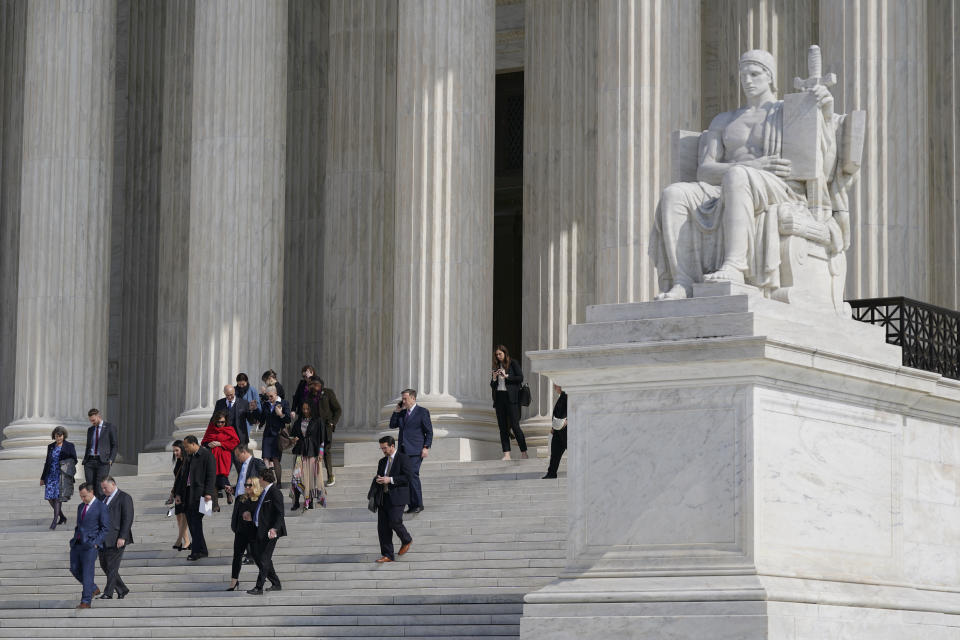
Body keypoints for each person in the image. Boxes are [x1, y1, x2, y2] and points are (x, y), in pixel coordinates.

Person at [650, 49, 843, 299]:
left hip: (779, 187)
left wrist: (824, 110)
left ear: (770, 76)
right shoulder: (724, 120)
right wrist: (755, 166)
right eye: (743, 75)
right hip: (728, 183)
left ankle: (735, 266)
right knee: (673, 193)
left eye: (754, 73)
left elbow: (823, 154)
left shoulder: (790, 112)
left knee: (737, 176)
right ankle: (683, 280)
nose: (748, 80)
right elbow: (705, 170)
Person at [388, 389, 432, 514]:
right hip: (403, 451)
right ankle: (411, 505)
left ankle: (418, 504)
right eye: (402, 399)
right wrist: (396, 411)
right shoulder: (402, 413)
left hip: (416, 450)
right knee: (406, 478)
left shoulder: (422, 412)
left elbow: (429, 432)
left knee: (412, 475)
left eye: (405, 398)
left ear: (413, 398)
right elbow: (392, 425)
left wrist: (426, 447)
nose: (403, 401)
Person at [371, 435, 413, 563]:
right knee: (383, 528)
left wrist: (391, 479)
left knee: (395, 521)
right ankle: (388, 555)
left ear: (392, 446)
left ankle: (406, 539)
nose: (383, 450)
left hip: (398, 496)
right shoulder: (382, 461)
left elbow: (408, 477)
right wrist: (378, 479)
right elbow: (380, 475)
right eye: (381, 448)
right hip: (383, 497)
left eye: (385, 448)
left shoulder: (403, 458)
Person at [69, 483, 109, 609]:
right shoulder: (81, 507)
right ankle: (93, 588)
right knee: (74, 569)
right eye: (81, 496)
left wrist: (96, 542)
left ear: (91, 492)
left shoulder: (101, 507)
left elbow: (105, 528)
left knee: (87, 573)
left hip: (91, 545)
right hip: (77, 544)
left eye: (84, 496)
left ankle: (86, 601)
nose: (83, 499)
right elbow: (79, 525)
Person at [247, 468, 286, 595]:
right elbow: (262, 510)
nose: (258, 480)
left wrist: (274, 528)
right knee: (261, 557)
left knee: (264, 558)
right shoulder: (264, 492)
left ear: (263, 478)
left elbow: (280, 513)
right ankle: (276, 583)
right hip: (260, 530)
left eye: (259, 478)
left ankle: (259, 587)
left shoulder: (275, 492)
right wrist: (251, 515)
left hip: (271, 531)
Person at [177, 435, 215, 561]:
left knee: (196, 523)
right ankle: (202, 550)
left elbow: (211, 475)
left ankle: (196, 551)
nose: (185, 449)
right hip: (188, 494)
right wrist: (178, 494)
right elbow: (183, 477)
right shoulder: (189, 457)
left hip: (202, 495)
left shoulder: (206, 455)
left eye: (187, 447)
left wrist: (208, 493)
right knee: (192, 523)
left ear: (194, 444)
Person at [490, 345, 528, 460]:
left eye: (500, 354)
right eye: (496, 354)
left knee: (515, 426)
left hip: (511, 398)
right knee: (502, 427)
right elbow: (492, 386)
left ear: (505, 353)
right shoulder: (496, 366)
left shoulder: (513, 363)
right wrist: (494, 378)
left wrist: (506, 376)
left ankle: (524, 453)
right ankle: (506, 454)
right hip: (500, 398)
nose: (498, 356)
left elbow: (520, 378)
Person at [98, 477, 134, 600]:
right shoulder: (102, 499)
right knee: (104, 565)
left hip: (117, 538)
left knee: (112, 566)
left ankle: (108, 593)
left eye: (105, 487)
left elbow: (127, 518)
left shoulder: (124, 497)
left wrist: (122, 536)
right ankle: (122, 589)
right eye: (102, 488)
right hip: (103, 539)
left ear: (113, 484)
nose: (103, 490)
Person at [227, 476, 262, 591]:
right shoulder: (241, 498)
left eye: (249, 485)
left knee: (258, 557)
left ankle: (269, 577)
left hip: (254, 532)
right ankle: (234, 581)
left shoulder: (260, 499)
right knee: (237, 556)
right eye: (245, 485)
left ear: (256, 486)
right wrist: (235, 528)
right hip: (241, 532)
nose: (246, 487)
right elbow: (236, 515)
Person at [201, 411, 240, 510]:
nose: (220, 424)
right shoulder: (211, 429)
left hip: (224, 457)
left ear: (226, 421)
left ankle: (228, 493)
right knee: (212, 480)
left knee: (222, 476)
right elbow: (204, 442)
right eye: (218, 422)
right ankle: (215, 505)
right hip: (212, 457)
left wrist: (221, 444)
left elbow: (235, 443)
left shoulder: (230, 429)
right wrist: (208, 444)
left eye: (222, 422)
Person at [307, 376, 342, 486]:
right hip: (314, 427)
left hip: (326, 427)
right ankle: (315, 477)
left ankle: (330, 475)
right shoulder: (309, 396)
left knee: (326, 450)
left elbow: (337, 409)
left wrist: (332, 422)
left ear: (320, 384)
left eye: (315, 384)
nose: (313, 387)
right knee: (314, 452)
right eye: (311, 385)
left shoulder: (328, 393)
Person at [254, 385, 291, 489]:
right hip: (267, 434)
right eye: (268, 396)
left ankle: (278, 482)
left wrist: (281, 414)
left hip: (277, 435)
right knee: (265, 458)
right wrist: (255, 410)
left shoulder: (284, 403)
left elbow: (288, 420)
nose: (269, 399)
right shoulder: (266, 404)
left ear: (276, 394)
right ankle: (269, 481)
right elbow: (262, 418)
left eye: (271, 396)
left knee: (275, 459)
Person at [41, 426, 77, 530]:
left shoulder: (69, 446)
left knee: (57, 497)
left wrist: (65, 464)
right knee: (50, 497)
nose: (58, 438)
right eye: (56, 436)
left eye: (60, 436)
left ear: (64, 435)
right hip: (51, 474)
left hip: (61, 475)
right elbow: (47, 462)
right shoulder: (51, 446)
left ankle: (55, 519)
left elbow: (74, 460)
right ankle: (62, 517)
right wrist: (43, 477)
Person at [290, 402, 325, 511]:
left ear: (311, 409)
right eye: (303, 409)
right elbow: (293, 436)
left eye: (307, 409)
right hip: (301, 453)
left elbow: (322, 439)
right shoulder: (298, 422)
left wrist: (321, 453)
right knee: (297, 477)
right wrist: (294, 439)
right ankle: (296, 501)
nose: (305, 411)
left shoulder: (318, 421)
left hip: (313, 454)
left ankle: (309, 501)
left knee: (310, 479)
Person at [82, 408, 118, 499]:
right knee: (90, 486)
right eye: (91, 421)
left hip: (103, 461)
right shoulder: (90, 430)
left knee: (100, 487)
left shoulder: (110, 427)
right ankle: (92, 508)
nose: (92, 423)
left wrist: (111, 460)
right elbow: (88, 446)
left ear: (99, 416)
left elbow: (115, 445)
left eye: (93, 420)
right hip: (89, 461)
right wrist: (85, 461)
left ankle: (100, 509)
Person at [213, 384, 251, 448]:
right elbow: (214, 419)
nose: (230, 397)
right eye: (227, 395)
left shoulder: (244, 403)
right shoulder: (219, 403)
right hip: (224, 438)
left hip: (240, 438)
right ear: (224, 393)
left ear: (234, 392)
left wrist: (253, 410)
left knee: (240, 457)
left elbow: (251, 420)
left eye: (231, 395)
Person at [169, 440, 191, 552]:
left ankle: (179, 540)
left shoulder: (188, 461)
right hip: (177, 491)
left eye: (177, 450)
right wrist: (173, 493)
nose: (175, 453)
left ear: (182, 449)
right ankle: (186, 541)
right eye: (174, 451)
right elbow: (177, 479)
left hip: (185, 492)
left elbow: (184, 480)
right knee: (178, 517)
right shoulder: (179, 461)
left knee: (183, 517)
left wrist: (178, 495)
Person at [543, 384, 567, 479]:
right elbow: (557, 413)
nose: (554, 387)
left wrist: (568, 420)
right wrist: (553, 427)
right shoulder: (562, 396)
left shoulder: (569, 395)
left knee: (573, 451)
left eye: (556, 385)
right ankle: (551, 473)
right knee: (555, 453)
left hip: (566, 430)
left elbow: (574, 409)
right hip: (557, 430)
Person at [234, 373, 260, 442]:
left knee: (244, 438)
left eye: (243, 384)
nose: (241, 386)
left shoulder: (253, 390)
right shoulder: (234, 390)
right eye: (239, 384)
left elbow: (258, 404)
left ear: (247, 381)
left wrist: (258, 417)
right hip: (235, 417)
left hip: (247, 418)